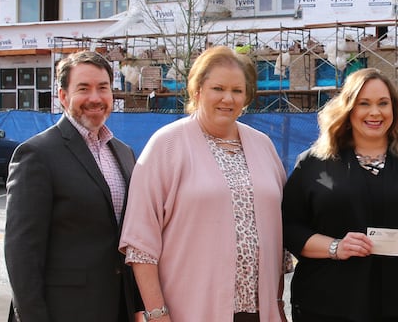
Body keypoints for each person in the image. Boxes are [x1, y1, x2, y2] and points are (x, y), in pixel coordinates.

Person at [119, 46, 288, 322]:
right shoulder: (167, 145)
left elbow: (278, 242)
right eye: (218, 88)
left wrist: (279, 305)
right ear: (197, 91)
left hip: (260, 313)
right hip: (189, 311)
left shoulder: (264, 146)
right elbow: (141, 245)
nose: (228, 98)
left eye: (237, 90)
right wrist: (157, 313)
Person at [282, 68, 398, 322]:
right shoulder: (314, 164)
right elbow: (289, 228)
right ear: (348, 110)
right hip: (328, 305)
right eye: (363, 103)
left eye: (383, 103)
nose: (375, 112)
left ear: (395, 109)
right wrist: (336, 247)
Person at [4, 50, 141, 321]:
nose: (95, 98)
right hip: (64, 311)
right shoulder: (36, 154)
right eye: (83, 88)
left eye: (103, 88)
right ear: (63, 96)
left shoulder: (124, 153)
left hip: (117, 308)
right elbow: (22, 255)